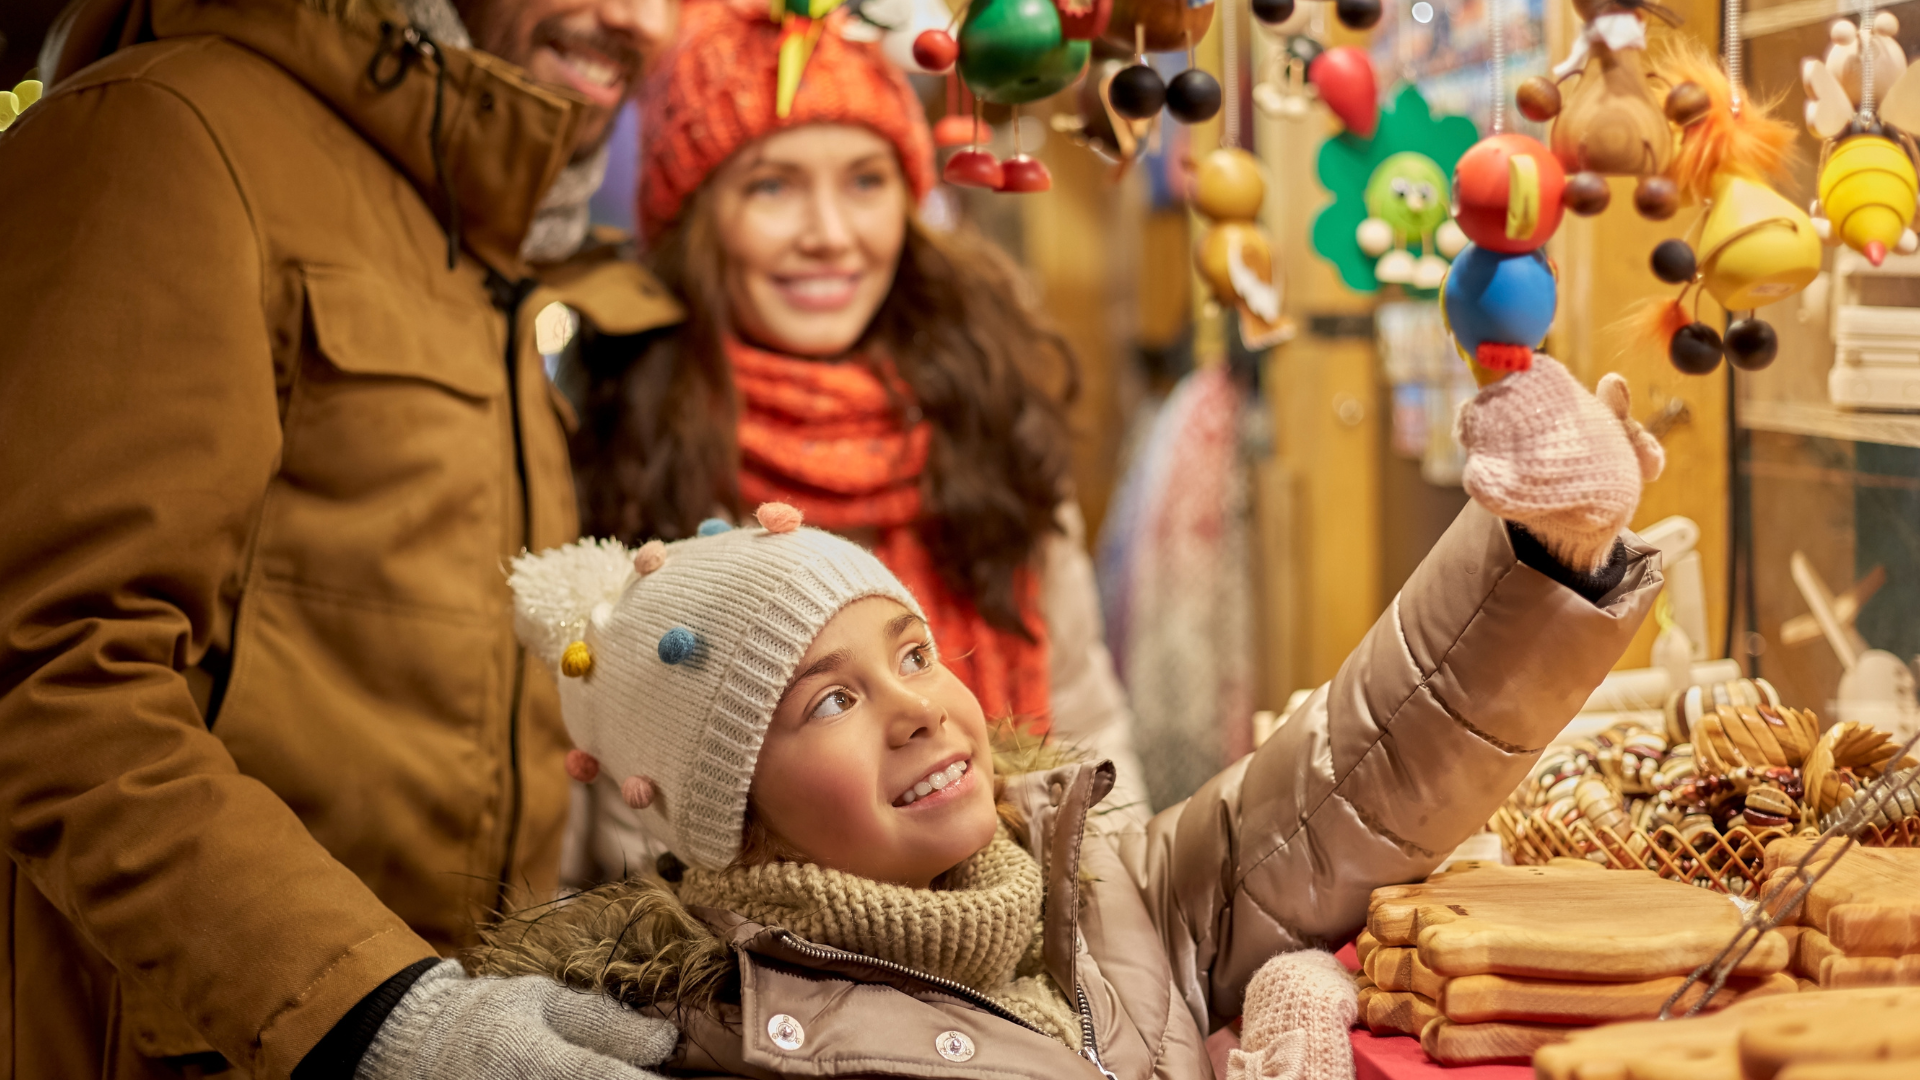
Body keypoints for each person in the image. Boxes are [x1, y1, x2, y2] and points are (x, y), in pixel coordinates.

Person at [480, 449, 1661, 1080]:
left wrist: (1534, 560)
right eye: (831, 700)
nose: (916, 710)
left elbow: (1346, 779)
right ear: (735, 818)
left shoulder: (1107, 893)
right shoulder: (755, 1046)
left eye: (914, 652)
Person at [0, 0, 689, 1075]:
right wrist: (377, 1014)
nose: (635, 19)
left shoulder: (466, 224)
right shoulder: (168, 130)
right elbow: (50, 666)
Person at [559, 0, 1152, 875]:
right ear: (692, 217)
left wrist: (1112, 941)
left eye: (866, 182)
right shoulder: (619, 435)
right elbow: (601, 815)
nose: (831, 236)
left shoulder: (983, 404)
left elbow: (1083, 722)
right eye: (773, 186)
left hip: (1023, 935)